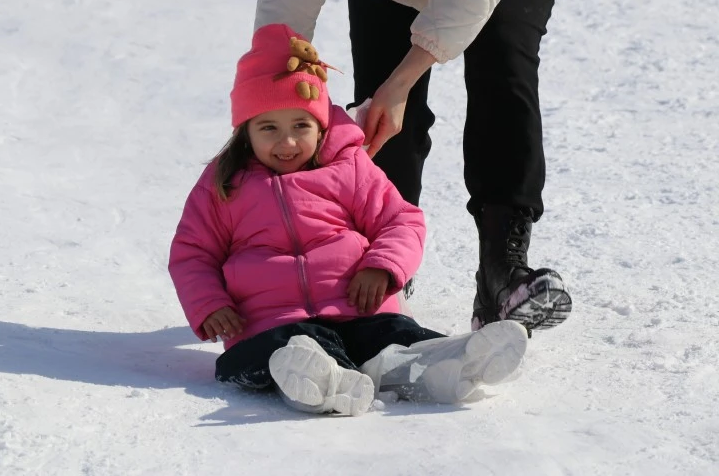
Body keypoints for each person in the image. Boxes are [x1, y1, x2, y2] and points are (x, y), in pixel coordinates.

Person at [168, 23, 529, 416]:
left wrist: (381, 267)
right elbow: (193, 253)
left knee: (395, 337)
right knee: (285, 350)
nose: (287, 142)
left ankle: (451, 363)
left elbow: (400, 220)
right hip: (272, 321)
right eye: (268, 128)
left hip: (359, 309)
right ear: (246, 132)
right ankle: (322, 380)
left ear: (321, 125)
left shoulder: (347, 166)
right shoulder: (224, 185)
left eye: (301, 126)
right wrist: (209, 304)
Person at [254, 0, 575, 334]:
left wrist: (403, 82)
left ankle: (502, 271)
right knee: (381, 120)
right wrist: (270, 80)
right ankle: (386, 268)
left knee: (504, 76)